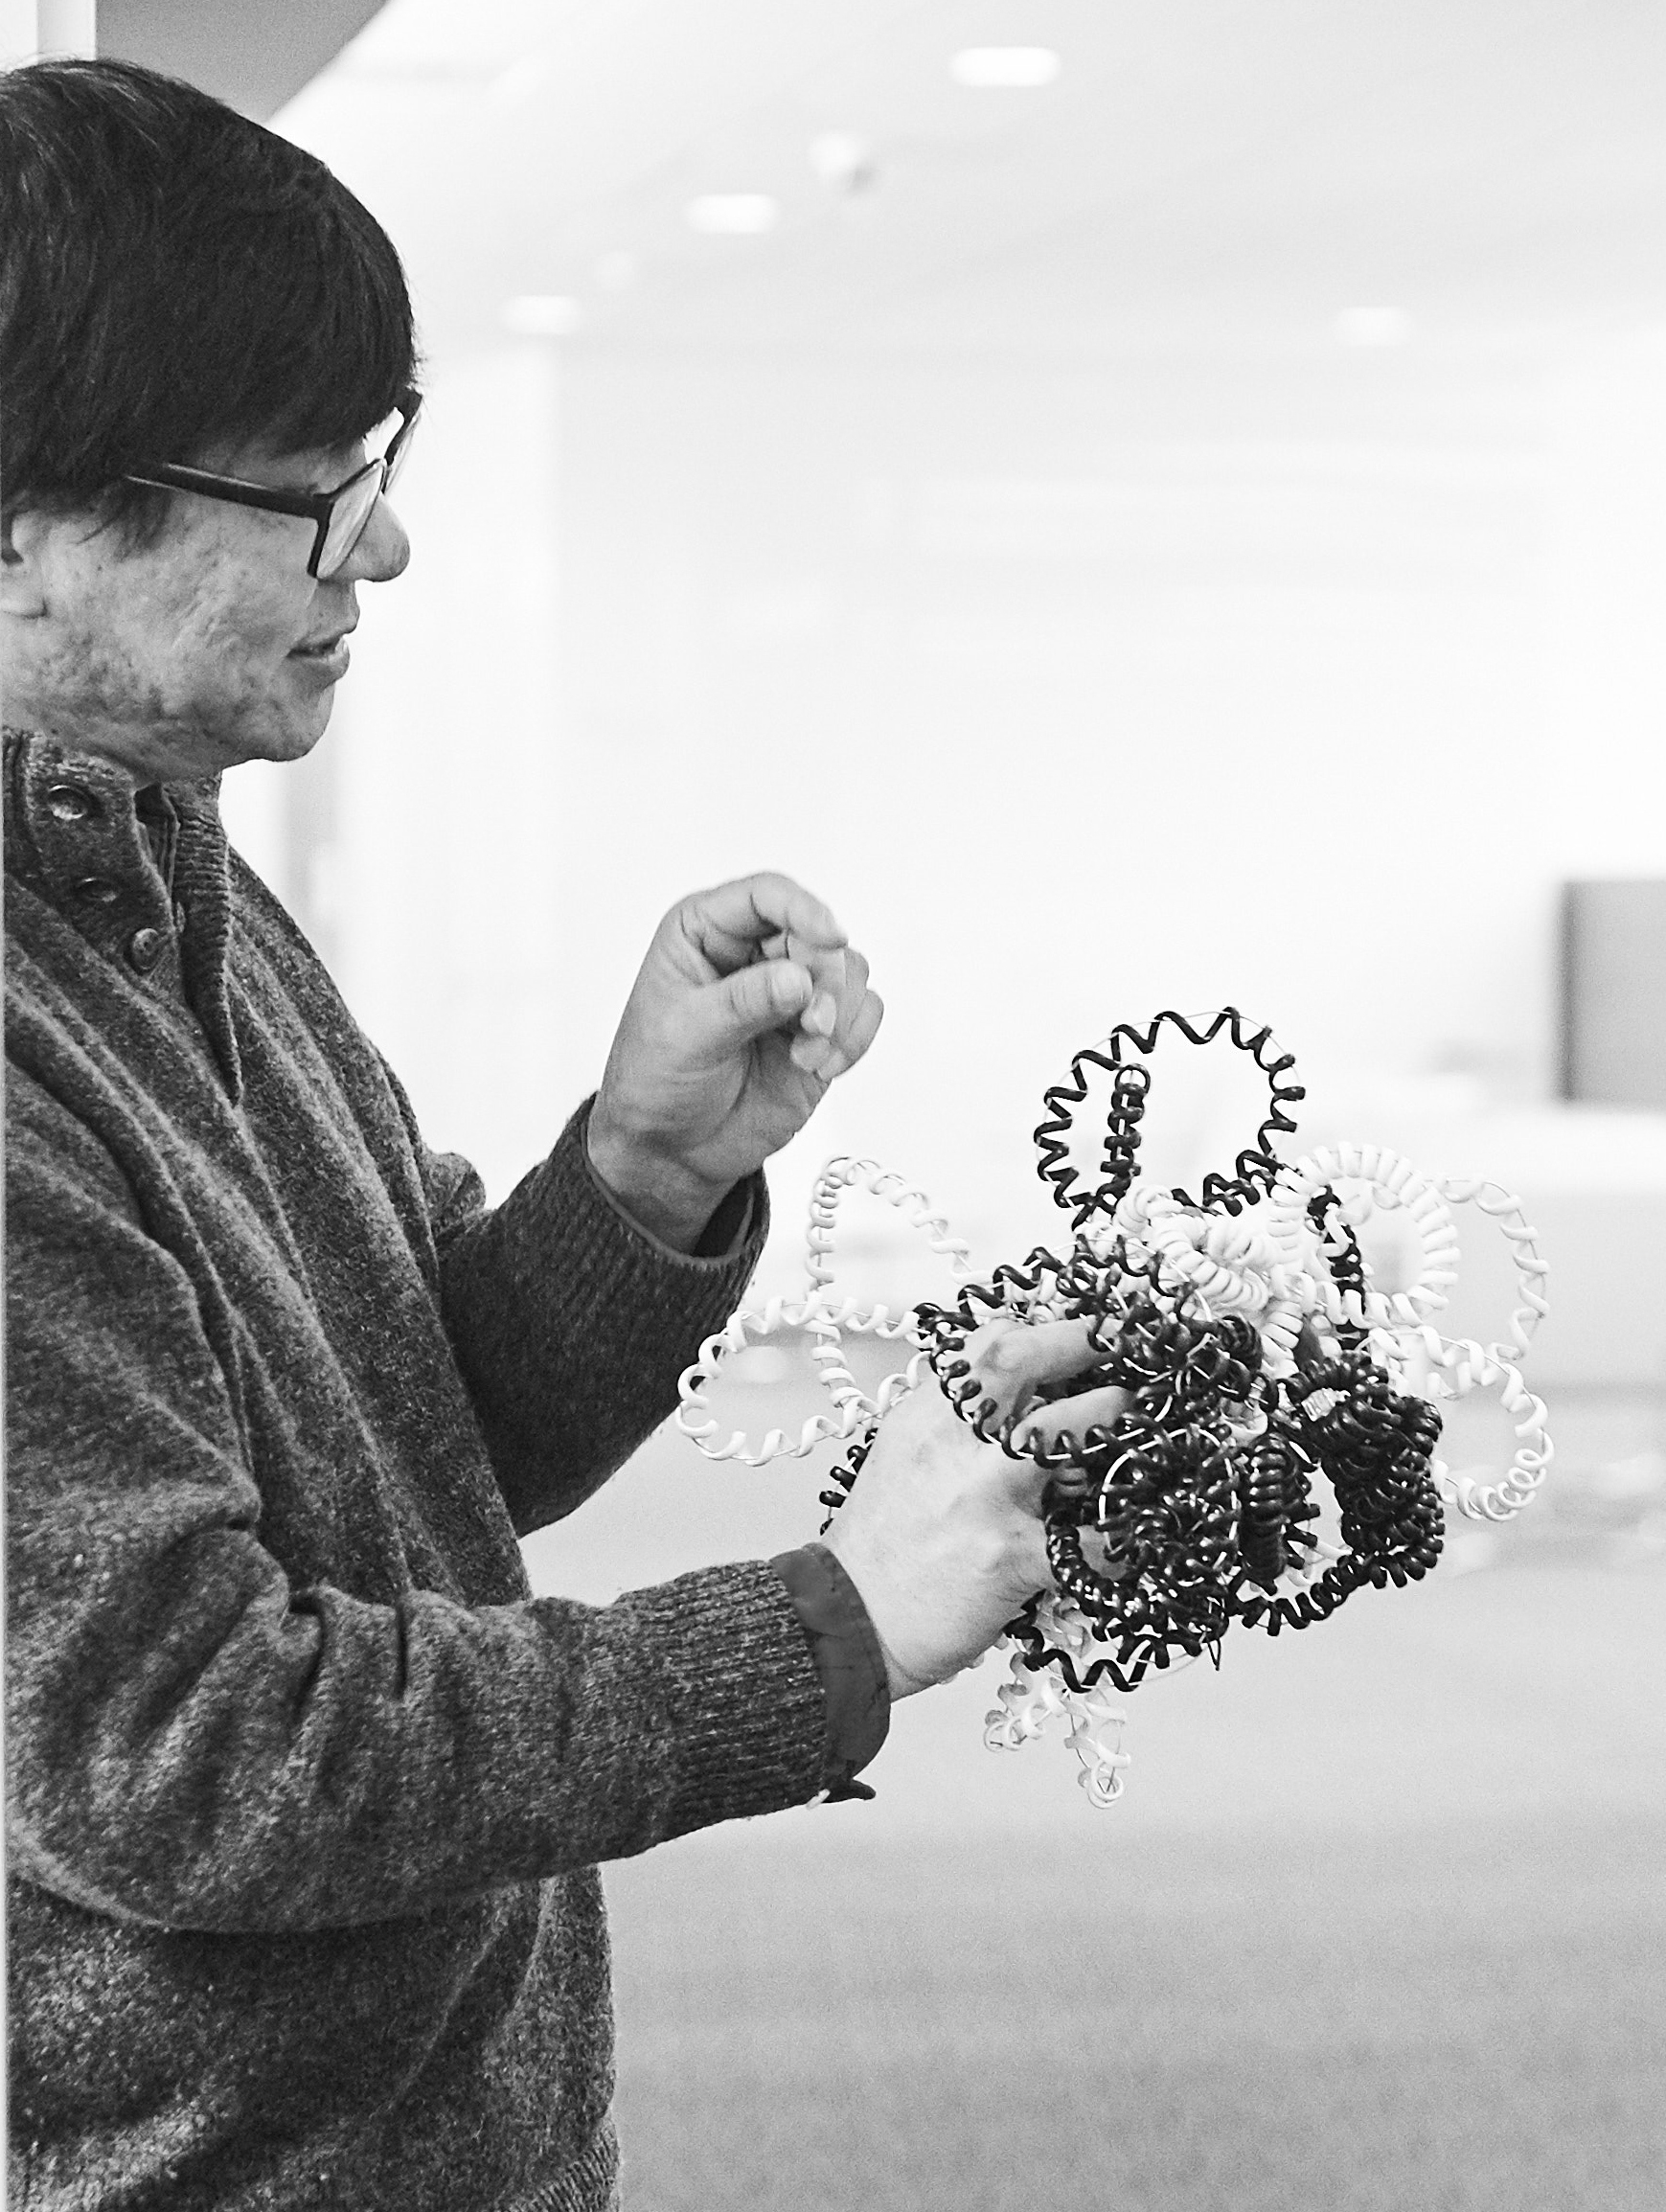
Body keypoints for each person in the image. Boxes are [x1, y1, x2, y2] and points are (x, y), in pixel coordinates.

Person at [2, 58, 1092, 2208]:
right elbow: (185, 1754)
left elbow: (430, 1454)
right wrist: (824, 1637)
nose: (381, 542)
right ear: (32, 538)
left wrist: (643, 1179)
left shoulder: (165, 883)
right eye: (310, 488)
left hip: (428, 2133)